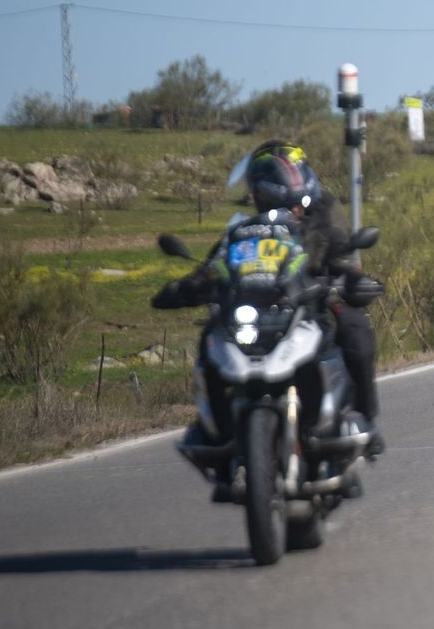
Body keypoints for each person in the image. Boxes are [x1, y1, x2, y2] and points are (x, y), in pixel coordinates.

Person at [155, 140, 384, 454]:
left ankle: (365, 420)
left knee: (355, 331)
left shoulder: (321, 215)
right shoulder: (244, 230)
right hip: (254, 313)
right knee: (210, 339)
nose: (288, 195)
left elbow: (339, 258)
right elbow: (216, 265)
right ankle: (217, 430)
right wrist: (186, 288)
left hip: (308, 304)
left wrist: (351, 282)